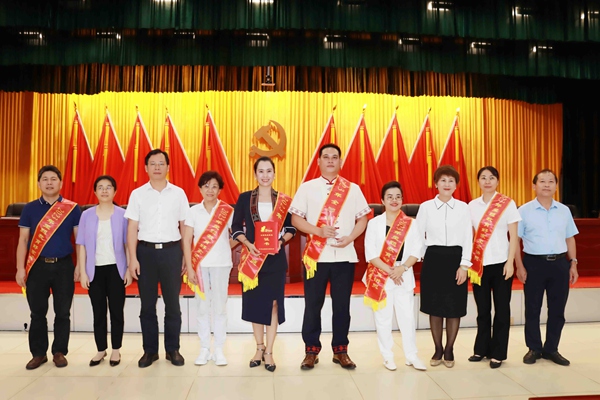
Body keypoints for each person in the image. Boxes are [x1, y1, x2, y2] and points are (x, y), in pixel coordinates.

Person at [290, 143, 370, 370]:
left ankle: (341, 350)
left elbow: (362, 219)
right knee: (312, 305)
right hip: (315, 258)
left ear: (340, 161)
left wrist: (351, 237)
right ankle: (311, 351)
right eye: (326, 157)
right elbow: (296, 220)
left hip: (344, 256)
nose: (331, 160)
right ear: (319, 161)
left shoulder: (352, 189)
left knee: (342, 306)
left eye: (335, 157)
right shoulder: (307, 187)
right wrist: (318, 231)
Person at [125, 149, 190, 368]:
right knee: (147, 305)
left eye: (161, 163)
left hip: (172, 252)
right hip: (146, 253)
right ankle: (150, 351)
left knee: (173, 305)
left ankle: (173, 349)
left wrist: (184, 256)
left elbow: (184, 227)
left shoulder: (179, 193)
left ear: (168, 167)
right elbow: (132, 228)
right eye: (152, 164)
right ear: (146, 168)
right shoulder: (137, 194)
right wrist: (133, 259)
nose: (157, 167)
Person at [232, 157, 296, 372]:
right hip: (252, 259)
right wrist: (248, 244)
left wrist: (280, 241)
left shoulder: (283, 201)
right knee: (255, 304)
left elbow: (291, 229)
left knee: (274, 304)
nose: (265, 175)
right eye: (261, 171)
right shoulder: (244, 198)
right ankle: (258, 348)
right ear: (255, 174)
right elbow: (236, 228)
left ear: (275, 174)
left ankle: (269, 351)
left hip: (275, 260)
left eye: (269, 171)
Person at [15, 165, 81, 370]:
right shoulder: (30, 208)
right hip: (37, 266)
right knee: (37, 312)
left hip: (63, 266)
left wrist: (79, 266)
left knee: (63, 312)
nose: (50, 182)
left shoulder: (72, 208)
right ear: (38, 183)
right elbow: (23, 240)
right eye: (45, 179)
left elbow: (79, 240)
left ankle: (59, 352)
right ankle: (38, 353)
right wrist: (20, 268)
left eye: (54, 179)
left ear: (60, 183)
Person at [515, 169, 579, 366]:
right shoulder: (523, 211)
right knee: (532, 309)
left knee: (557, 310)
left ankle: (552, 349)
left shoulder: (564, 210)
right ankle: (534, 348)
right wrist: (519, 265)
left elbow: (570, 237)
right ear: (534, 186)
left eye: (551, 181)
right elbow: (515, 241)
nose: (546, 184)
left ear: (556, 186)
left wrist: (573, 263)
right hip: (533, 263)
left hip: (560, 264)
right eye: (542, 181)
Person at [363, 181, 427, 372]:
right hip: (381, 276)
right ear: (382, 200)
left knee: (407, 317)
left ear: (402, 200)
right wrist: (391, 271)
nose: (394, 200)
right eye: (389, 196)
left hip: (403, 274)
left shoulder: (411, 224)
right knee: (383, 318)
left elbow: (418, 249)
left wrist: (403, 268)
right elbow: (371, 253)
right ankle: (388, 356)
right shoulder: (374, 224)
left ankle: (411, 356)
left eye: (398, 196)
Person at [415, 165, 472, 368]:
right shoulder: (426, 207)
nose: (447, 184)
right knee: (435, 307)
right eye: (443, 180)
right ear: (436, 183)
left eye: (451, 181)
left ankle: (449, 349)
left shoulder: (464, 208)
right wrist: (417, 259)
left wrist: (464, 265)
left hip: (456, 259)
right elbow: (418, 236)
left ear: (456, 185)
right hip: (433, 259)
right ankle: (438, 348)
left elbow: (468, 238)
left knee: (454, 308)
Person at [467, 167, 521, 368]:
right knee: (482, 310)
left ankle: (498, 352)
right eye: (483, 177)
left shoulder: (507, 203)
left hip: (501, 264)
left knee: (501, 310)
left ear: (497, 181)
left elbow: (513, 236)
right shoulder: (471, 205)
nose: (487, 181)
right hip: (478, 266)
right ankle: (481, 349)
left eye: (491, 178)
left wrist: (510, 262)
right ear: (478, 181)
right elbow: (468, 236)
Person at [76, 175, 132, 367]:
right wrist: (83, 272)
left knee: (117, 311)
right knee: (98, 311)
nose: (105, 190)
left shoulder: (122, 215)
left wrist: (129, 269)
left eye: (109, 187)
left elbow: (128, 244)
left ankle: (116, 349)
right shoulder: (86, 215)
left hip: (117, 270)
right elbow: (81, 245)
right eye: (100, 187)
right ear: (95, 192)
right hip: (95, 271)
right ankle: (101, 349)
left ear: (115, 191)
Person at [183, 171, 234, 367]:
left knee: (220, 306)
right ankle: (204, 348)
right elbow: (187, 240)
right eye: (206, 186)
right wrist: (189, 267)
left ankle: (219, 348)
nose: (210, 190)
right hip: (200, 266)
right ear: (200, 189)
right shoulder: (193, 211)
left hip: (222, 265)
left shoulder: (227, 210)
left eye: (214, 186)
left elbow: (236, 235)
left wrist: (220, 247)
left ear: (220, 189)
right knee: (203, 307)